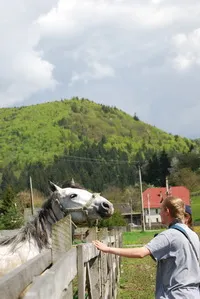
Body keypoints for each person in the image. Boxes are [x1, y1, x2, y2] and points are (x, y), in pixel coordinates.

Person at [93, 196, 200, 299]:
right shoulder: (193, 235)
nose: (160, 213)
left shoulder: (169, 235)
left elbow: (141, 252)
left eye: (160, 210)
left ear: (167, 211)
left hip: (174, 295)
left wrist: (108, 249)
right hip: (194, 294)